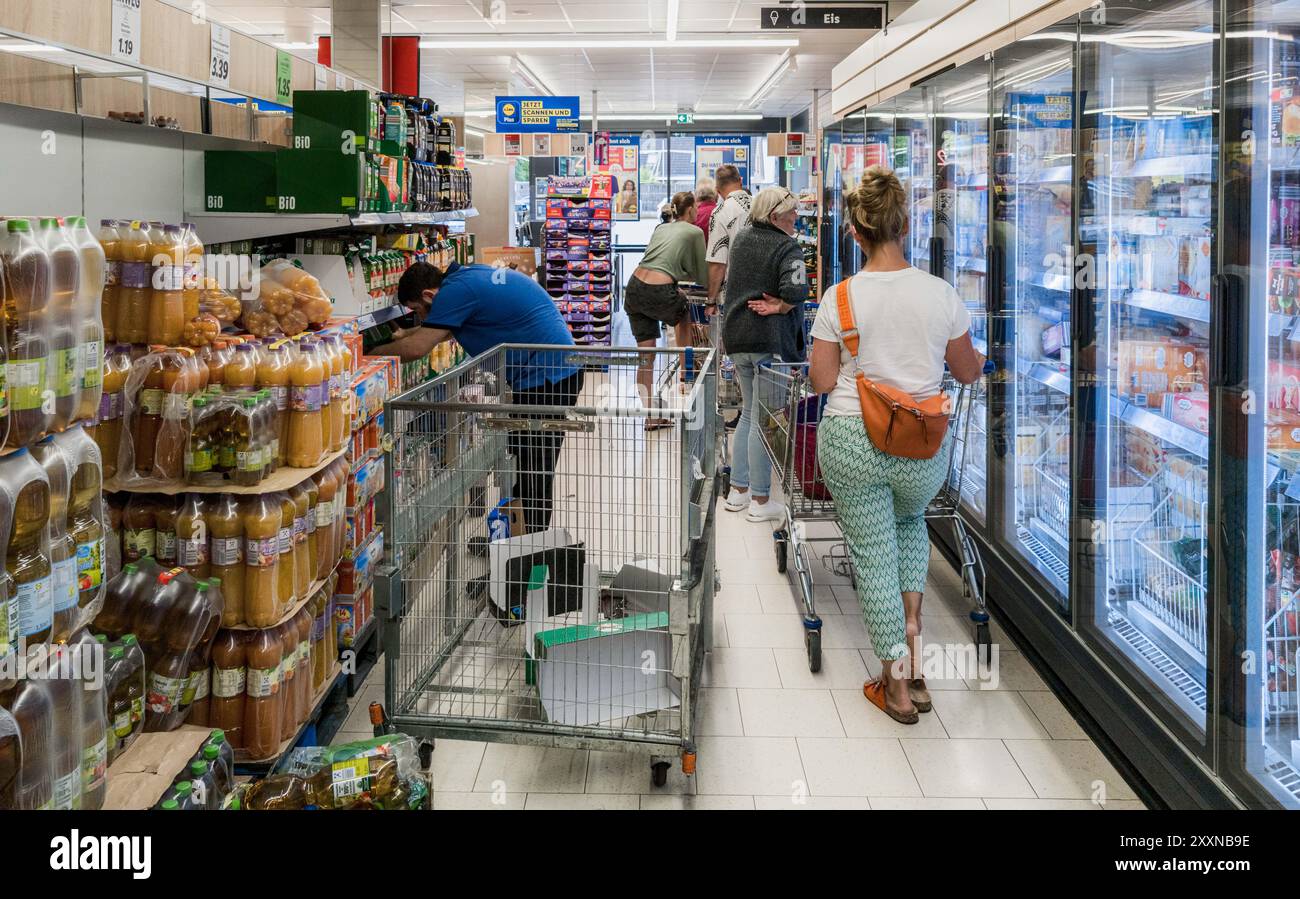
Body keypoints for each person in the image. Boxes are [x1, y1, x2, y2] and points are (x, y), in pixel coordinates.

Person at [808, 165, 984, 725]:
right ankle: (915, 654)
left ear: (855, 233)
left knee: (872, 553)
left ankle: (896, 686)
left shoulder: (839, 299)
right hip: (921, 449)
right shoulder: (942, 294)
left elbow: (819, 381)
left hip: (854, 441)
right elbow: (967, 370)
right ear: (904, 226)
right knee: (909, 529)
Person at [372, 260, 584, 533]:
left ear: (428, 296)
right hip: (552, 371)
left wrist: (362, 356)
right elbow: (444, 327)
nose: (421, 318)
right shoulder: (466, 278)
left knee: (535, 470)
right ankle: (514, 544)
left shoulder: (453, 292)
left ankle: (529, 557)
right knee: (526, 462)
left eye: (417, 311)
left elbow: (417, 348)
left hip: (548, 378)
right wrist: (403, 333)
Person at [719, 187, 808, 522]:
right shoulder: (787, 246)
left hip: (738, 337)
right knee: (762, 421)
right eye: (791, 214)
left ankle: (737, 492)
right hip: (768, 342)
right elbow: (797, 290)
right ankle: (760, 499)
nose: (796, 218)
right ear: (775, 217)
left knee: (746, 415)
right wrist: (782, 305)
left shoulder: (742, 238)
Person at [622, 190, 709, 430]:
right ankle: (686, 371)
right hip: (658, 290)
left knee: (646, 358)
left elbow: (660, 262)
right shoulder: (695, 231)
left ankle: (650, 416)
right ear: (691, 209)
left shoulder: (661, 228)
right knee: (683, 315)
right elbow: (702, 274)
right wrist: (713, 293)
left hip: (634, 288)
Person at [705, 164, 752, 312]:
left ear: (717, 190)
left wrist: (711, 301)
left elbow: (718, 263)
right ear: (741, 181)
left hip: (734, 296)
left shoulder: (720, 212)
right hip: (765, 295)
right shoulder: (763, 205)